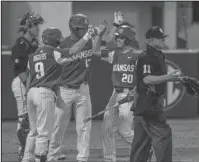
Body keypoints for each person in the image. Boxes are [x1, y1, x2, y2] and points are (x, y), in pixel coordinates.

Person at [21, 26, 95, 162]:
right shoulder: (54, 52)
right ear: (53, 38)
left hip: (31, 91)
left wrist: (26, 98)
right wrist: (87, 36)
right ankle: (40, 159)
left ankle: (27, 159)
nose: (60, 39)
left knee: (33, 132)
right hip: (44, 93)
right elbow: (73, 50)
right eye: (58, 37)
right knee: (43, 133)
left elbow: (29, 77)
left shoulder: (34, 54)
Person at [48, 14, 106, 162]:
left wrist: (99, 35)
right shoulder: (63, 43)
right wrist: (87, 36)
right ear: (73, 28)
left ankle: (83, 158)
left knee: (84, 126)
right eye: (82, 28)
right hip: (64, 90)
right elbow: (73, 50)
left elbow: (97, 50)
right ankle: (52, 156)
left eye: (86, 28)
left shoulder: (87, 41)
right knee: (58, 126)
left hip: (83, 88)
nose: (85, 30)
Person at [129, 26, 181, 162]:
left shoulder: (157, 54)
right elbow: (147, 79)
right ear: (151, 40)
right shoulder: (147, 56)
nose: (163, 40)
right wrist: (169, 77)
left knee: (141, 143)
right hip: (149, 105)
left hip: (144, 105)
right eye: (160, 38)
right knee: (163, 135)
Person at [11, 11, 44, 162]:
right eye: (36, 25)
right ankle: (22, 151)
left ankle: (33, 149)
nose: (38, 28)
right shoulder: (20, 44)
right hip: (22, 83)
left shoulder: (36, 43)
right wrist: (30, 87)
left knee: (33, 118)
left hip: (32, 84)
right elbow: (21, 72)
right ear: (28, 26)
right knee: (24, 118)